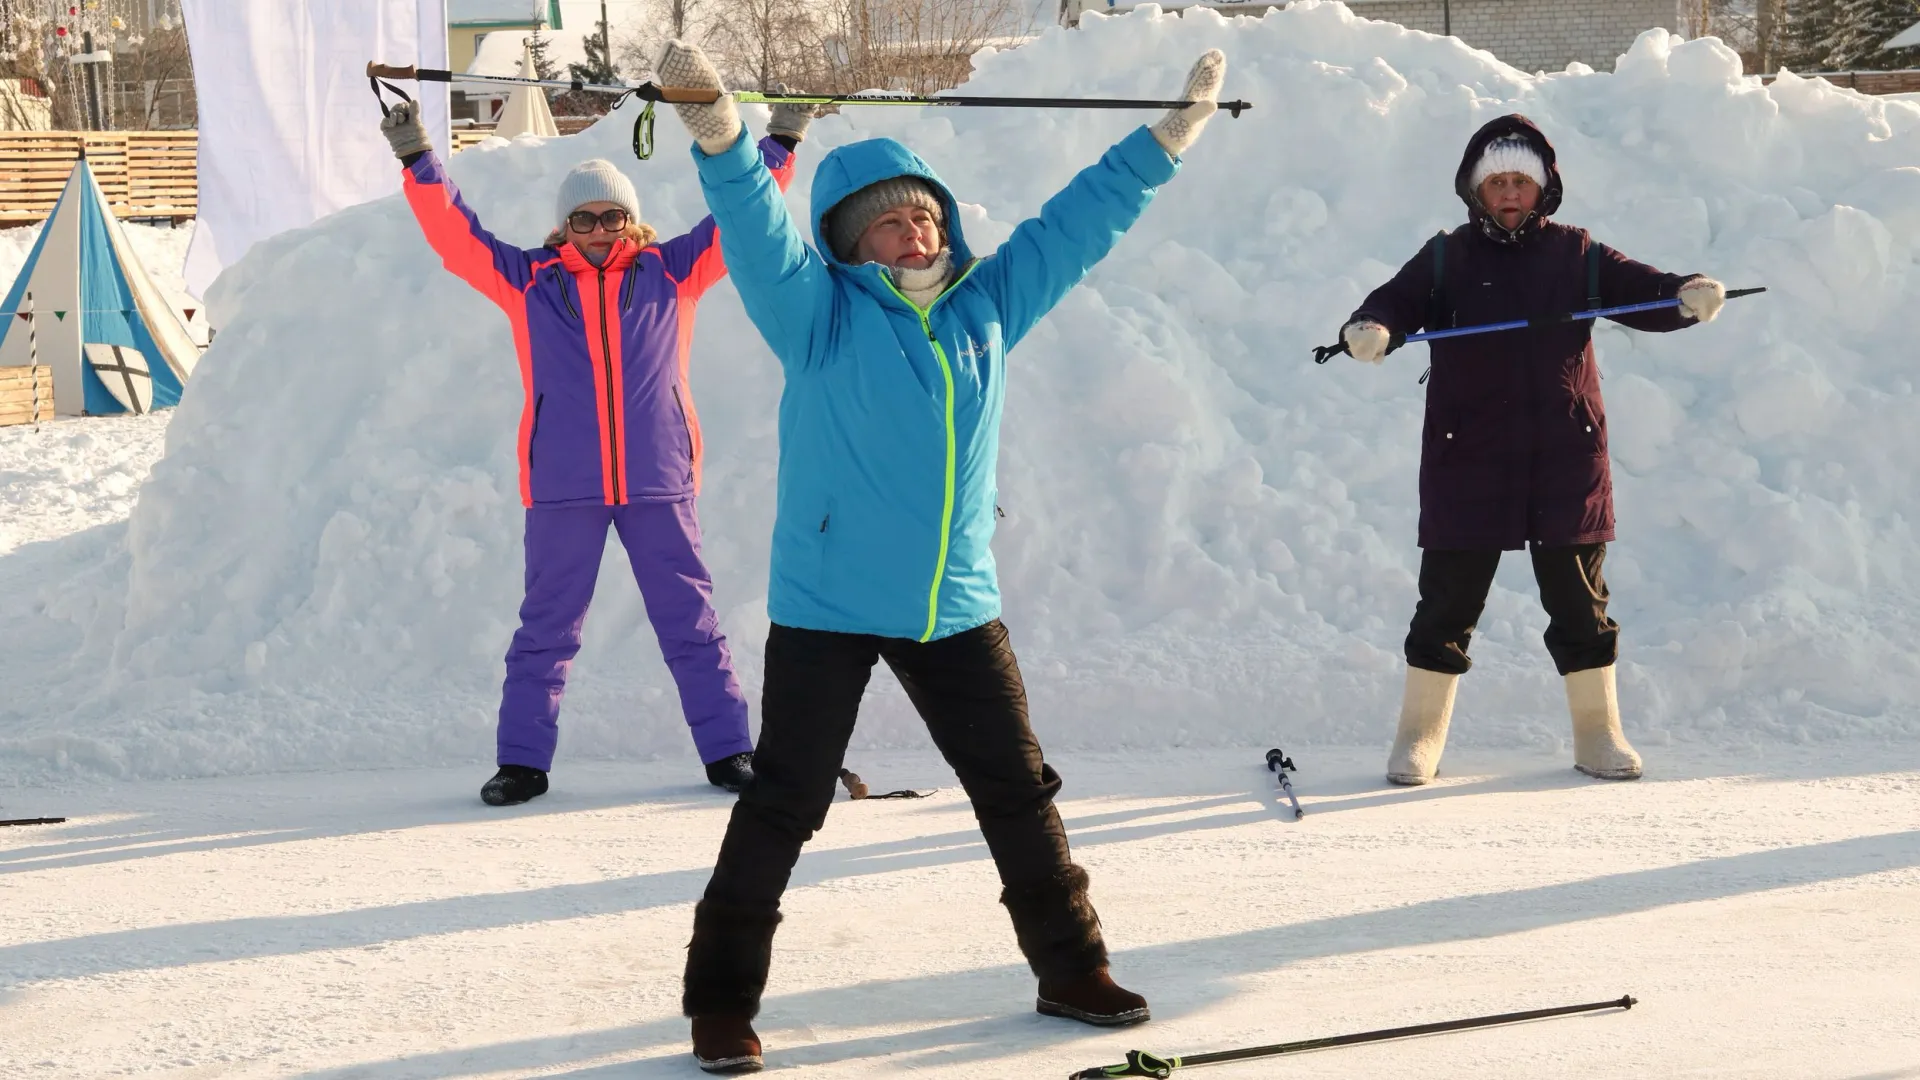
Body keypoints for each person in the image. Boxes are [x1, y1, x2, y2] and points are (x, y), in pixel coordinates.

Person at [651, 40, 1227, 1073]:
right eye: (888, 215)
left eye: (923, 210)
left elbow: (1075, 227)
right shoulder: (818, 316)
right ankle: (720, 1002)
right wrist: (724, 136)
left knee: (1018, 788)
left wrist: (1163, 142)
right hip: (828, 600)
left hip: (956, 602)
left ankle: (1070, 966)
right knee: (788, 799)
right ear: (849, 240)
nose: (914, 225)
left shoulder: (985, 309)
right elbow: (753, 230)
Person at [377, 98, 813, 805]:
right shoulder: (530, 281)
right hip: (563, 485)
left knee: (692, 624)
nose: (601, 231)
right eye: (585, 220)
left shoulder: (673, 271)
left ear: (631, 220)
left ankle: (730, 749)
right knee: (546, 627)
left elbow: (747, 213)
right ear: (563, 227)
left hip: (658, 479)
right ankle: (522, 761)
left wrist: (781, 142)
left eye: (612, 217)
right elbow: (456, 238)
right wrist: (417, 158)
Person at [1335, 114, 1727, 787]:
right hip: (1469, 451)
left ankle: (1597, 733)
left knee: (1579, 599)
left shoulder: (1576, 254)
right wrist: (1371, 327)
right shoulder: (1445, 256)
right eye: (1497, 184)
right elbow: (1393, 303)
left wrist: (1685, 295)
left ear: (1542, 188)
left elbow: (1643, 292)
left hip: (1563, 453)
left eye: (1521, 181)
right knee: (1448, 600)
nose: (1510, 193)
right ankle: (1418, 737)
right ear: (1475, 192)